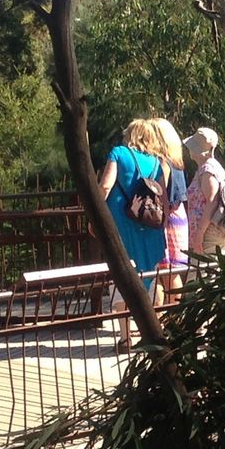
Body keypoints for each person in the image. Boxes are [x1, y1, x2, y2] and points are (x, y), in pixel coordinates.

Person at [98, 118, 168, 348]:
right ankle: (153, 330)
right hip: (150, 224)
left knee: (121, 271)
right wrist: (162, 221)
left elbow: (106, 186)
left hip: (121, 222)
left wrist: (94, 214)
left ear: (131, 135)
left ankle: (125, 336)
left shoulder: (118, 153)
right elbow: (163, 196)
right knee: (150, 274)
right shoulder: (157, 162)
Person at [150, 117, 189, 305]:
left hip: (165, 219)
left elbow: (161, 194)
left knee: (161, 272)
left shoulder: (161, 163)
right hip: (179, 216)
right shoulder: (177, 161)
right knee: (172, 272)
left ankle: (162, 317)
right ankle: (175, 317)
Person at [184, 126, 225, 260]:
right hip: (209, 230)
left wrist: (200, 233)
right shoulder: (207, 168)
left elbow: (212, 202)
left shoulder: (208, 170)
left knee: (203, 275)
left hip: (208, 233)